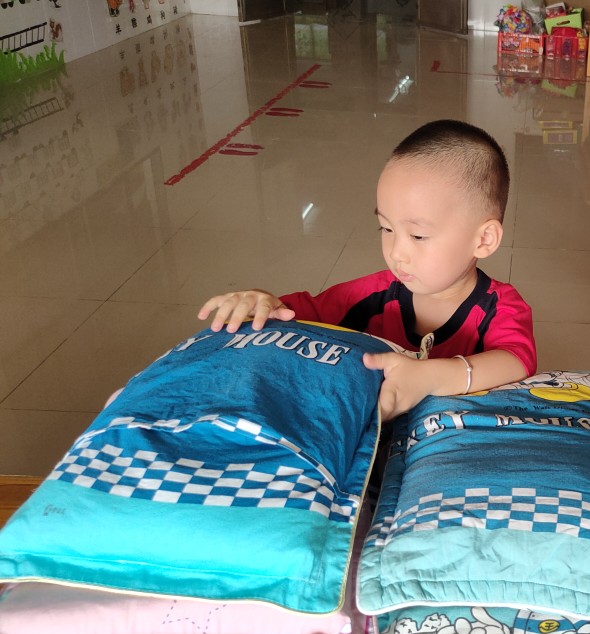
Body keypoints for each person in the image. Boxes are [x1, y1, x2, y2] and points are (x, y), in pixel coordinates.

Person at [197, 120, 536, 420]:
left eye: (418, 235)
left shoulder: (500, 308)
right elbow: (291, 314)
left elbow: (516, 360)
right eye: (386, 228)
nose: (396, 252)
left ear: (484, 239)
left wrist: (432, 376)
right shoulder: (371, 296)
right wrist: (260, 301)